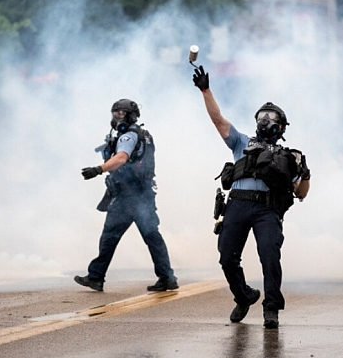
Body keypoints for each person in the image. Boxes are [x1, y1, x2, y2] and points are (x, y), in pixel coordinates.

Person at [192, 66, 310, 329]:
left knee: (269, 257)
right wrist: (205, 90)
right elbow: (218, 120)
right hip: (237, 204)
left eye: (271, 118)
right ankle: (244, 295)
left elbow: (300, 193)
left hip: (267, 211)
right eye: (262, 116)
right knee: (227, 257)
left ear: (280, 126)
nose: (265, 121)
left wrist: (305, 172)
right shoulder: (241, 142)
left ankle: (271, 309)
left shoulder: (288, 157)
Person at [74, 99, 179, 292]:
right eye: (115, 113)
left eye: (121, 113)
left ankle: (96, 277)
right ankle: (167, 277)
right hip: (142, 195)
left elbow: (121, 158)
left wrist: (99, 169)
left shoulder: (128, 136)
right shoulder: (143, 135)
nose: (117, 117)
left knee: (111, 236)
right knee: (149, 236)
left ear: (130, 116)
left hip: (128, 197)